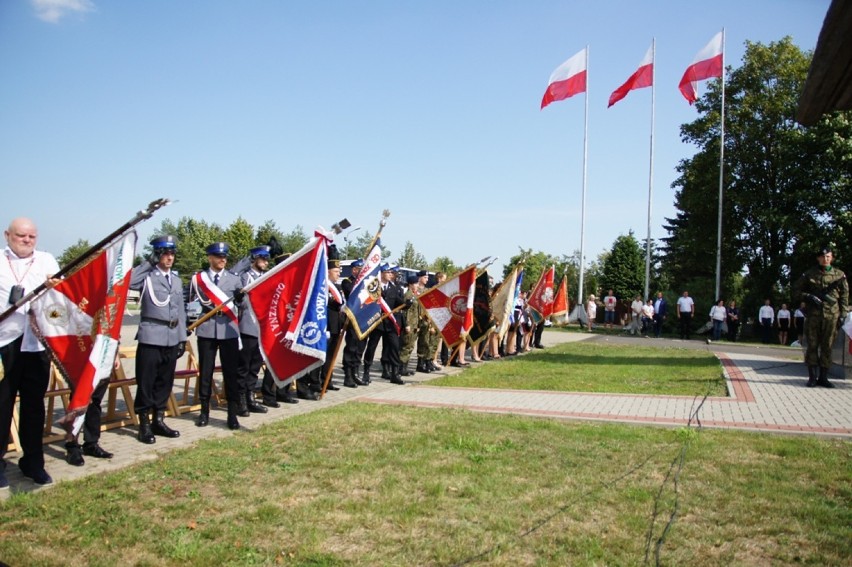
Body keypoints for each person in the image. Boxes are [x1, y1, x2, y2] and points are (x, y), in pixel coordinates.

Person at [0, 217, 60, 487]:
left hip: (35, 344)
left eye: (31, 237)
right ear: (7, 235)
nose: (26, 241)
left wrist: (54, 288)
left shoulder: (47, 261)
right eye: (21, 236)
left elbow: (60, 299)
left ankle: (33, 462)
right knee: (2, 405)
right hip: (5, 343)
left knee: (34, 406)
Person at [129, 235, 187, 444]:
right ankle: (144, 423)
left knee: (165, 381)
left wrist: (182, 338)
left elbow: (180, 311)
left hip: (172, 336)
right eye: (165, 253)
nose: (169, 257)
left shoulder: (177, 280)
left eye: (172, 253)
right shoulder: (147, 276)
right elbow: (128, 281)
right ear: (157, 254)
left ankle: (158, 419)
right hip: (152, 334)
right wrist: (148, 262)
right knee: (147, 381)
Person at [190, 242, 243, 429]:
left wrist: (240, 300)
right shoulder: (199, 279)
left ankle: (232, 414)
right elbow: (189, 302)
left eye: (225, 257)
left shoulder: (235, 279)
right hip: (207, 329)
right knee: (205, 372)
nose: (222, 260)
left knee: (230, 373)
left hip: (228, 329)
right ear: (210, 258)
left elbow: (243, 306)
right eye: (218, 256)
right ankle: (204, 412)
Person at [793, 245, 848, 388]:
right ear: (818, 258)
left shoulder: (839, 275)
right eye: (823, 257)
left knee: (827, 346)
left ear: (832, 258)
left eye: (828, 256)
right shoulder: (809, 274)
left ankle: (823, 377)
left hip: (831, 316)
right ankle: (812, 377)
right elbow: (796, 291)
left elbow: (844, 296)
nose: (826, 259)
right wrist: (808, 297)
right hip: (813, 316)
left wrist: (842, 315)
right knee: (812, 346)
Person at [236, 246, 271, 413]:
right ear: (255, 259)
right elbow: (240, 302)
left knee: (255, 366)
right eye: (263, 258)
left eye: (267, 259)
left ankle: (250, 397)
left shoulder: (266, 277)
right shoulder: (245, 277)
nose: (266, 262)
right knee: (244, 366)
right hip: (248, 326)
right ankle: (240, 399)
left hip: (261, 328)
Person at [340, 259, 368, 388]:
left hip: (362, 319)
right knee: (351, 347)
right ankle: (348, 375)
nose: (362, 272)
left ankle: (355, 372)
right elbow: (353, 295)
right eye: (360, 270)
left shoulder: (364, 283)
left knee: (360, 347)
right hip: (352, 320)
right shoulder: (347, 282)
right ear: (354, 270)